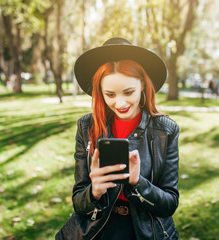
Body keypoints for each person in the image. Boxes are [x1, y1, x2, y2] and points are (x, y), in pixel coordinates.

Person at [56, 37, 180, 239]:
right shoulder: (86, 127)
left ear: (142, 84)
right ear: (100, 93)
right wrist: (93, 191)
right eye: (110, 94)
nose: (120, 103)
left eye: (128, 92)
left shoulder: (166, 131)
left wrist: (139, 183)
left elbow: (169, 204)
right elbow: (78, 202)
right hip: (98, 230)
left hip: (145, 231)